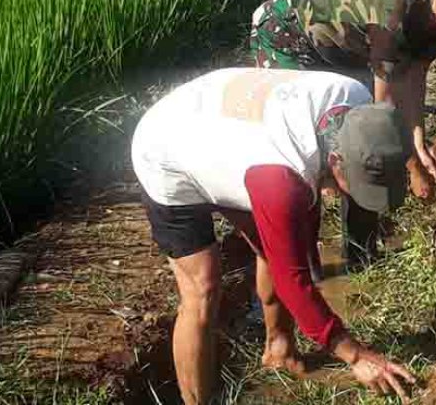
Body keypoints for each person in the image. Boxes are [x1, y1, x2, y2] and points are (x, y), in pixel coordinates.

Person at [132, 68, 416, 404]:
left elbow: (293, 246)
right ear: (336, 159)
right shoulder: (282, 178)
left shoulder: (360, 106)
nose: (351, 194)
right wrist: (355, 354)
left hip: (229, 132)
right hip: (168, 147)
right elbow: (292, 279)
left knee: (279, 245)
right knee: (202, 290)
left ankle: (279, 349)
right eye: (355, 183)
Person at [250, 0, 436, 266]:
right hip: (285, 39)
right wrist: (414, 169)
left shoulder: (433, 14)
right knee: (322, 147)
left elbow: (415, 76)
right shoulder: (391, 19)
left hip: (338, 45)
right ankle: (309, 261)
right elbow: (382, 116)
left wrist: (418, 143)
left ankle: (361, 252)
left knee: (362, 137)